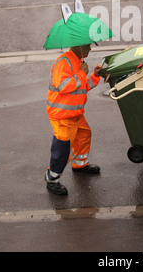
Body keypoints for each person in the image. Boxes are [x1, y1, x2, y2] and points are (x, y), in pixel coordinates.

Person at [45, 44, 102, 196]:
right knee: (62, 148)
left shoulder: (78, 62)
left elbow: (81, 86)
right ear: (79, 46)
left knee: (83, 135)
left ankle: (79, 165)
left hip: (74, 113)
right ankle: (52, 179)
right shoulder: (64, 62)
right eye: (88, 46)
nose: (90, 49)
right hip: (62, 115)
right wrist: (82, 74)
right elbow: (64, 86)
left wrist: (95, 76)